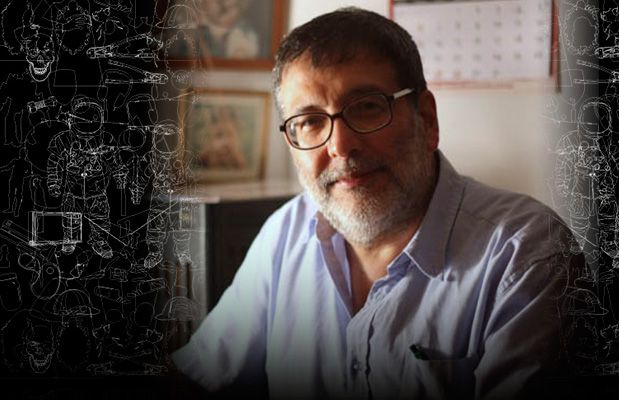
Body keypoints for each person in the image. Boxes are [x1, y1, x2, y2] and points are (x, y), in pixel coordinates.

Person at [172, 7, 583, 399]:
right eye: (310, 121)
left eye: (367, 108)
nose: (340, 146)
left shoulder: (526, 255)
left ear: (426, 119)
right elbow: (203, 376)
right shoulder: (284, 233)